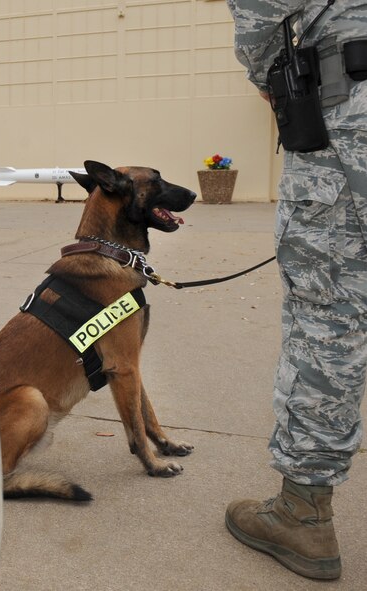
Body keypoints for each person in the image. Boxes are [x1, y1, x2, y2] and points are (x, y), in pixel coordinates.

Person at [225, 0, 367, 581]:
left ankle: (302, 514)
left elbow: (262, 19)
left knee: (328, 317)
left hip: (348, 119)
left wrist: (269, 75)